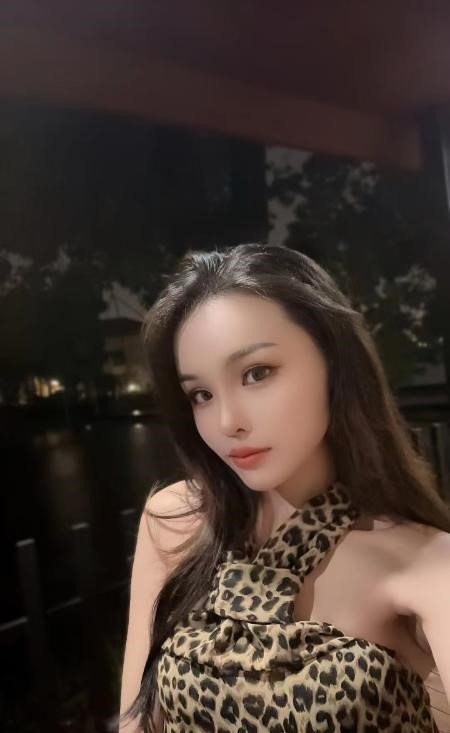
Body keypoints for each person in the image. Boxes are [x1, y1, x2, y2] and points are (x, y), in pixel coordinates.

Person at [119, 243, 450, 733]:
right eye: (201, 394)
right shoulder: (175, 520)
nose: (227, 422)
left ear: (334, 362)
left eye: (257, 374)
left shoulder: (424, 565)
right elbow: (139, 722)